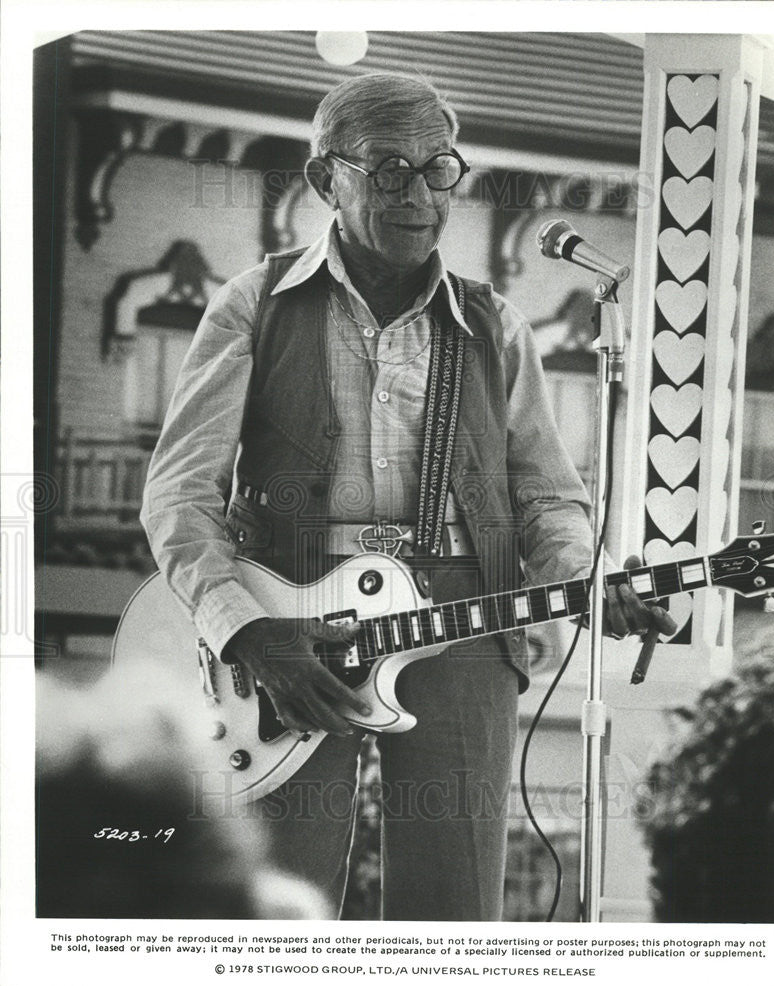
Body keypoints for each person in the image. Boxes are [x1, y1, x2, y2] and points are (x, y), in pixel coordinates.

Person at [141, 72, 676, 921]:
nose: (419, 193)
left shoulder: (495, 322)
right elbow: (179, 495)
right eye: (388, 168)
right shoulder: (253, 302)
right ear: (325, 181)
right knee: (278, 907)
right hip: (292, 631)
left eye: (438, 169)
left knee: (454, 905)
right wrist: (246, 631)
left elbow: (546, 498)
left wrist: (590, 579)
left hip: (468, 619)